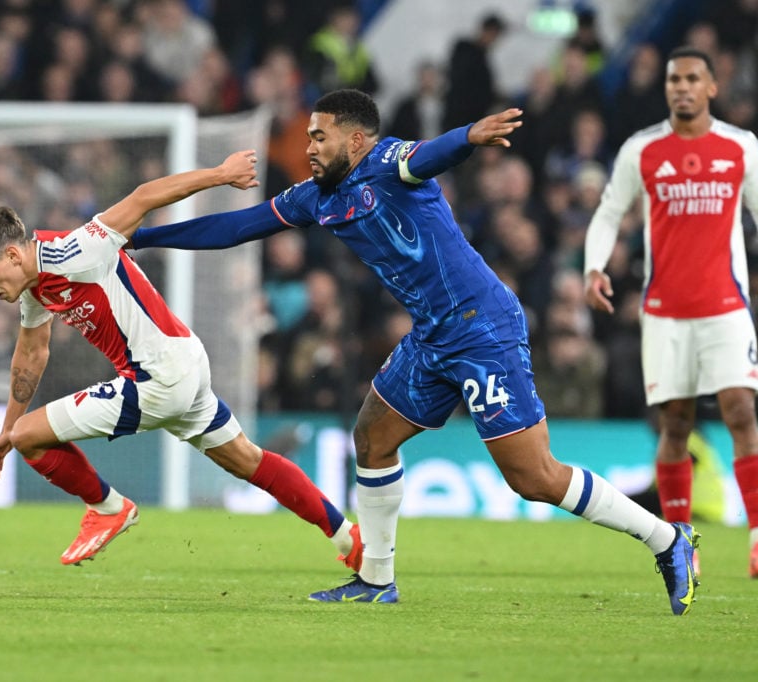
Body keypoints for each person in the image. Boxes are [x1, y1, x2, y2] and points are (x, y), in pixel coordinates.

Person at [128, 88, 699, 614]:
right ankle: (377, 579)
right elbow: (237, 226)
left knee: (534, 478)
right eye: (307, 137)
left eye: (319, 136)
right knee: (372, 439)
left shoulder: (385, 161)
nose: (308, 148)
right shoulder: (315, 198)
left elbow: (426, 157)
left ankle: (668, 539)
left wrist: (468, 136)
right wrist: (144, 237)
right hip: (431, 334)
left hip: (481, 329)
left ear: (355, 139)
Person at [0, 150, 362, 578]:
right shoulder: (34, 289)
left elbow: (144, 197)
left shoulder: (74, 250)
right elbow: (31, 353)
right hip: (182, 364)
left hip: (159, 375)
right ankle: (350, 538)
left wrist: (221, 175)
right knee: (247, 460)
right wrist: (6, 428)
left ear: (12, 256)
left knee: (30, 437)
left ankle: (108, 508)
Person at [584, 46, 758, 579]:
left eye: (691, 79)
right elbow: (609, 211)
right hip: (664, 312)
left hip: (726, 306)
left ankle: (757, 536)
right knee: (675, 422)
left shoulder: (740, 146)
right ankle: (683, 542)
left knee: (740, 412)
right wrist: (594, 268)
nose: (681, 87)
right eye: (673, 79)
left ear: (710, 87)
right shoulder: (643, 150)